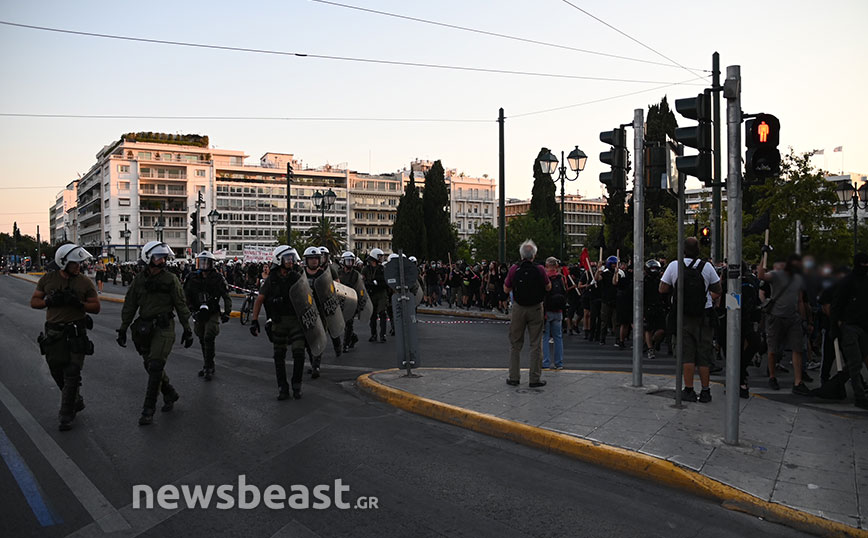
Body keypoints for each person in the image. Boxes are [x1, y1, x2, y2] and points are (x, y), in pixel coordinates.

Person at [116, 241, 193, 426]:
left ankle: (148, 409)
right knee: (150, 365)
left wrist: (187, 329)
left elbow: (181, 305)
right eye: (158, 257)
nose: (162, 261)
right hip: (144, 328)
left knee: (156, 364)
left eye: (164, 258)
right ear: (148, 258)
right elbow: (130, 305)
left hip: (164, 328)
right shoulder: (139, 281)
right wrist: (123, 328)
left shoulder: (171, 280)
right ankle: (169, 393)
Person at [30, 244, 101, 431]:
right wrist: (49, 301)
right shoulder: (48, 280)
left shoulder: (84, 282)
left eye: (79, 263)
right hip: (54, 333)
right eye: (74, 263)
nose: (78, 266)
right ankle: (75, 399)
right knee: (56, 370)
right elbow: (34, 302)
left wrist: (79, 303)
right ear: (64, 263)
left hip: (76, 331)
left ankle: (66, 413)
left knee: (72, 371)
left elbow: (95, 306)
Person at [659, 238, 722, 403]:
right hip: (704, 315)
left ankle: (689, 389)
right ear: (698, 250)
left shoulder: (674, 266)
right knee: (704, 355)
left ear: (683, 250)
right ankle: (706, 391)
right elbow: (718, 289)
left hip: (683, 316)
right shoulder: (706, 266)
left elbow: (662, 288)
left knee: (687, 355)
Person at [249, 245, 307, 400]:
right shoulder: (271, 280)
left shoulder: (296, 277)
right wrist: (254, 321)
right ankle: (282, 387)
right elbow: (259, 299)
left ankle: (297, 385)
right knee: (279, 356)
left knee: (299, 353)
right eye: (287, 259)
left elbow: (307, 297)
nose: (291, 262)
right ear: (279, 260)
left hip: (296, 321)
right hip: (278, 321)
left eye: (292, 259)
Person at [758, 253, 811, 394]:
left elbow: (799, 300)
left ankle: (798, 381)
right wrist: (764, 256)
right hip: (776, 316)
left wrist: (804, 319)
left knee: (797, 348)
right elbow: (761, 276)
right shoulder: (777, 275)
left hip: (793, 317)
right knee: (773, 348)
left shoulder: (799, 279)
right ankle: (772, 376)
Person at [504, 240, 551, 387]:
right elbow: (548, 287)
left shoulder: (514, 269)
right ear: (534, 255)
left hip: (518, 308)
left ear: (521, 254)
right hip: (536, 308)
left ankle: (514, 377)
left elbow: (506, 289)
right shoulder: (540, 269)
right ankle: (534, 378)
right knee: (536, 343)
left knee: (515, 344)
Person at [183, 251, 232, 380]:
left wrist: (227, 312)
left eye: (206, 262)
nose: (204, 265)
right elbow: (185, 296)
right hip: (198, 311)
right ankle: (207, 364)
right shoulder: (192, 277)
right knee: (201, 336)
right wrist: (190, 310)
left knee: (209, 336)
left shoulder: (218, 278)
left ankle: (209, 366)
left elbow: (226, 296)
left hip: (212, 311)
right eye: (201, 261)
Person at [830, 253, 868, 410]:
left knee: (855, 363)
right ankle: (859, 396)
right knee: (855, 363)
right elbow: (836, 306)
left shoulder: (861, 281)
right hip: (850, 327)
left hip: (861, 327)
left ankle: (838, 384)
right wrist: (836, 328)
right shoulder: (847, 282)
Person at [542, 257, 566, 370]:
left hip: (547, 311)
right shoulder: (561, 277)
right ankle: (559, 363)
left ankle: (546, 363)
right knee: (558, 337)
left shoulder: (545, 277)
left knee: (545, 337)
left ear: (547, 265)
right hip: (559, 310)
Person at [362, 248, 389, 342]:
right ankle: (373, 335)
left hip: (381, 293)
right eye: (380, 256)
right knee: (372, 315)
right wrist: (370, 284)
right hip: (371, 293)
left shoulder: (383, 269)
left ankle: (383, 335)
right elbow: (363, 281)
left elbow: (386, 282)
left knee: (382, 313)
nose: (381, 258)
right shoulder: (366, 269)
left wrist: (377, 283)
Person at [338, 251, 362, 352]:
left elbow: (358, 287)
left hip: (351, 300)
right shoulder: (338, 273)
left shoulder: (355, 274)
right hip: (340, 300)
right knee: (341, 323)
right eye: (348, 261)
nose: (350, 263)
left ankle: (345, 345)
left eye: (351, 261)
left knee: (349, 323)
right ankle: (353, 337)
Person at [643, 260, 666, 360]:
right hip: (648, 307)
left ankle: (651, 341)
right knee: (648, 328)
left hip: (660, 307)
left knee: (662, 330)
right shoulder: (644, 281)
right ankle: (650, 348)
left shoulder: (661, 280)